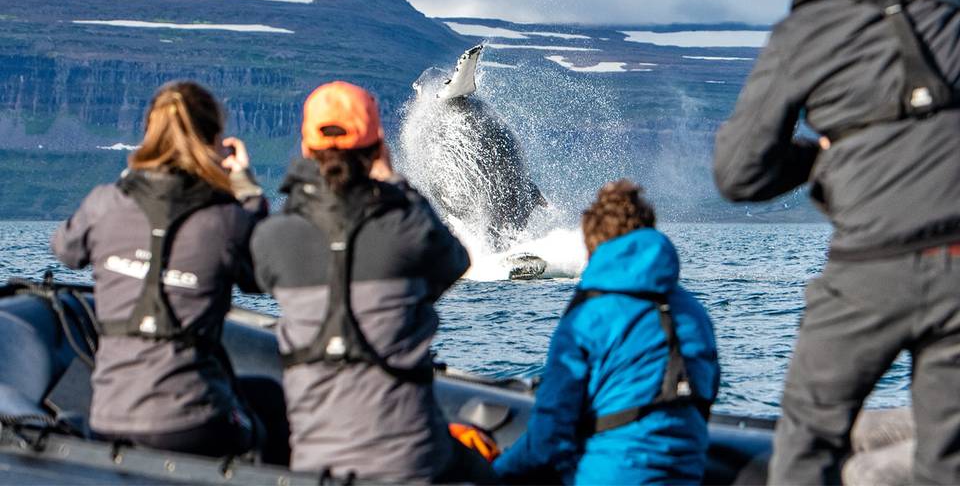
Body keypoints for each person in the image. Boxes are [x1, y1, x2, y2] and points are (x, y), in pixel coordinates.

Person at [713, 0, 960, 485]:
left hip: (870, 267)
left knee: (807, 443)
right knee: (948, 458)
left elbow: (738, 173)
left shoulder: (804, 33)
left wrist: (825, 155)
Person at [251, 81, 496, 483]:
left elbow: (252, 271)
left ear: (307, 148)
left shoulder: (275, 237)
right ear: (377, 146)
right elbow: (456, 262)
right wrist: (395, 183)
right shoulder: (408, 228)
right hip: (410, 460)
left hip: (315, 464)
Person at [51, 80, 287, 464]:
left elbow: (66, 249)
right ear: (214, 141)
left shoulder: (104, 204)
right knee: (270, 402)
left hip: (110, 416)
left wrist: (131, 181)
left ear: (149, 136)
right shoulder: (227, 220)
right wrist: (246, 190)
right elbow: (262, 274)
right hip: (196, 421)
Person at [493, 180, 719, 485]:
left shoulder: (588, 314)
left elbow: (548, 437)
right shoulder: (694, 311)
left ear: (592, 244)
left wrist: (490, 473)